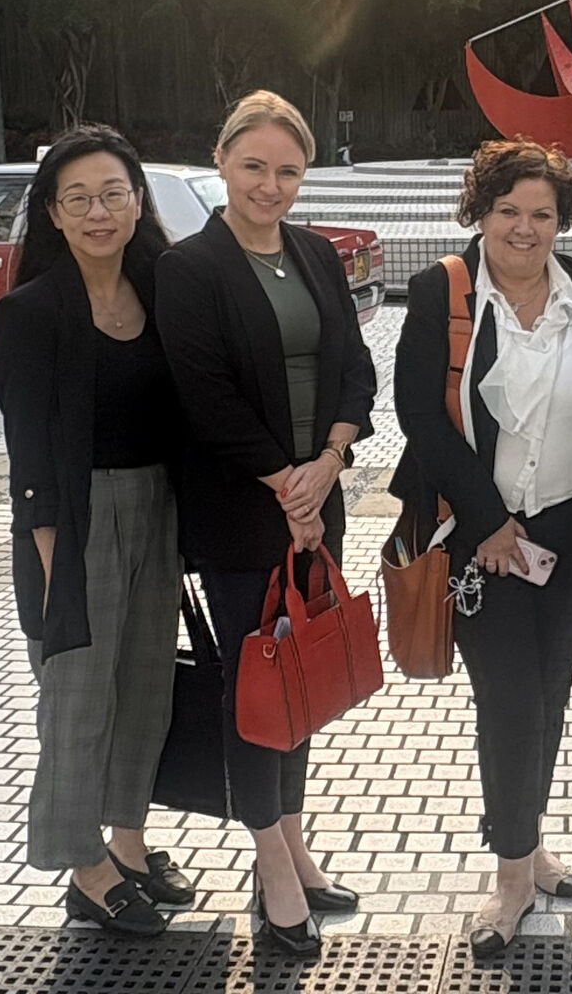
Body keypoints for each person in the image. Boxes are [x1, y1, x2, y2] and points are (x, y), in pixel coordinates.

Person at [155, 90, 377, 961]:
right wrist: (287, 481)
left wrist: (329, 462)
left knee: (303, 689)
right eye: (255, 166)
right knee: (258, 695)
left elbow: (355, 366)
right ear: (222, 162)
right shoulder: (190, 269)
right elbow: (203, 395)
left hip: (318, 506)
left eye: (288, 169)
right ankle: (273, 864)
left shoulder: (318, 255)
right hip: (243, 513)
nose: (271, 184)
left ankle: (295, 841)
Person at [391, 140, 572, 960]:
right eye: (508, 210)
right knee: (509, 698)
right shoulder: (440, 292)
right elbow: (420, 414)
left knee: (550, 692)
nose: (524, 228)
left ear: (564, 220)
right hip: (482, 539)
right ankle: (511, 875)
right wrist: (486, 519)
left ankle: (529, 842)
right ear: (480, 212)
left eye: (542, 214)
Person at [0, 125, 192, 938]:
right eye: (79, 198)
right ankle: (83, 864)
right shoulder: (31, 313)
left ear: (139, 202)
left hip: (158, 507)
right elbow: (29, 451)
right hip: (73, 521)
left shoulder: (160, 287)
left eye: (113, 193)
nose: (99, 211)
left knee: (146, 684)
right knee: (76, 699)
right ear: (53, 213)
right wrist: (51, 561)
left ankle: (130, 844)